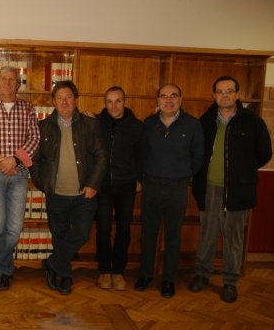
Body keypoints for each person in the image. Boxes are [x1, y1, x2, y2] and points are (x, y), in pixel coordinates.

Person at [189, 76, 272, 303]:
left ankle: (230, 282)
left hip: (238, 191)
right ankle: (202, 274)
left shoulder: (252, 121)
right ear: (214, 95)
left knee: (233, 238)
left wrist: (242, 171)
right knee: (207, 234)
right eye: (219, 91)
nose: (224, 95)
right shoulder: (205, 121)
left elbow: (264, 153)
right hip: (209, 188)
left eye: (229, 91)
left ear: (237, 94)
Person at [30, 80, 107, 295]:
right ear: (53, 102)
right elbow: (34, 160)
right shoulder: (43, 127)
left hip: (84, 193)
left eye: (68, 97)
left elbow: (102, 156)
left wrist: (93, 184)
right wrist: (42, 183)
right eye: (60, 98)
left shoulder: (90, 125)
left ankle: (52, 263)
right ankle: (63, 275)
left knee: (82, 233)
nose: (64, 101)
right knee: (59, 235)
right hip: (56, 194)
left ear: (75, 100)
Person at [0, 66, 40, 292]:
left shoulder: (27, 108)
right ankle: (5, 271)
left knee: (14, 227)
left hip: (19, 174)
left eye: (12, 79)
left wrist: (15, 160)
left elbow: (34, 138)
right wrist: (0, 160)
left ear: (18, 84)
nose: (8, 83)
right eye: (4, 79)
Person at [134, 83, 204, 298]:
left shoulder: (192, 125)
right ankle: (146, 274)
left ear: (181, 100)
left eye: (173, 96)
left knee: (173, 236)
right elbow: (141, 153)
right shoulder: (149, 123)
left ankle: (168, 279)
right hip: (152, 185)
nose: (169, 100)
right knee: (148, 233)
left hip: (177, 187)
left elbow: (199, 156)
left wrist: (182, 174)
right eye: (164, 96)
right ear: (158, 101)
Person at [95, 86, 144, 291]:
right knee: (104, 228)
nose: (113, 106)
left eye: (118, 101)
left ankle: (118, 271)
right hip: (103, 185)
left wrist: (140, 178)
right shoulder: (96, 123)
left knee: (124, 228)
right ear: (104, 103)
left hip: (126, 185)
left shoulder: (136, 126)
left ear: (125, 101)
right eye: (109, 101)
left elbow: (142, 155)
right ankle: (105, 270)